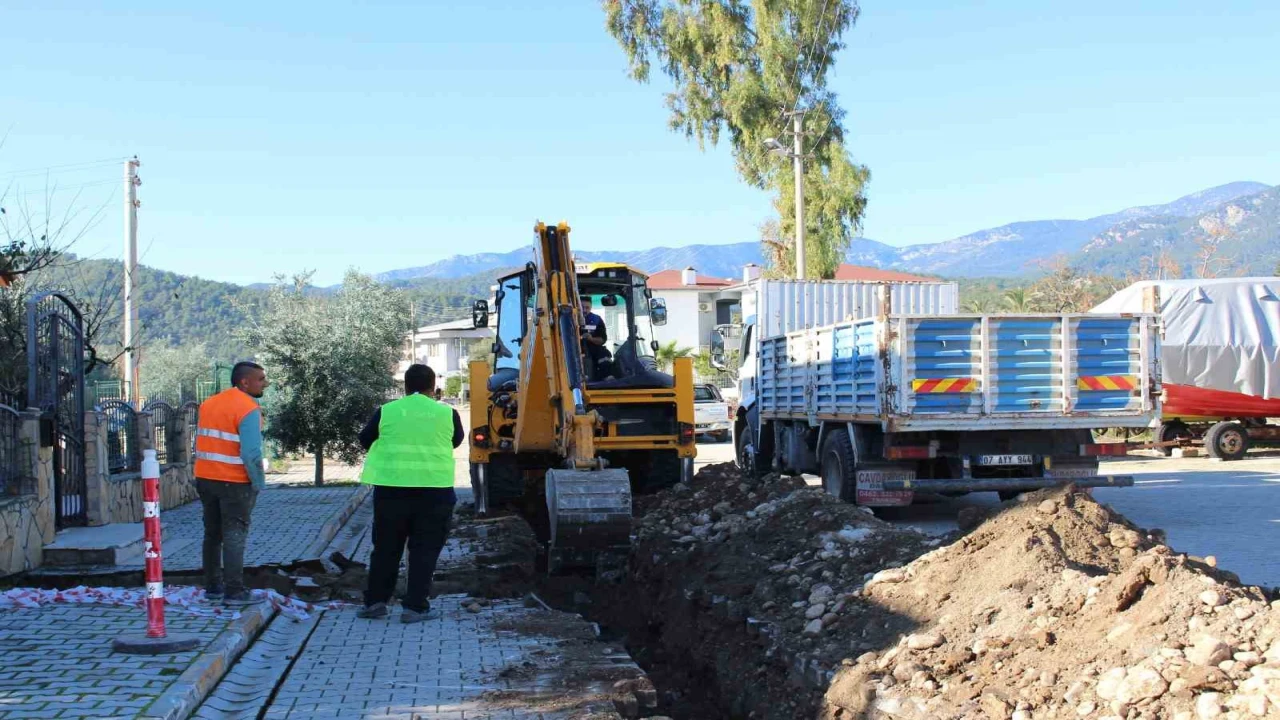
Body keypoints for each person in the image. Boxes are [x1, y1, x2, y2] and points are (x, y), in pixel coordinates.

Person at [357, 364, 464, 624]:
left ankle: (376, 603)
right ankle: (414, 608)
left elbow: (365, 439)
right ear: (434, 388)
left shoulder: (386, 411)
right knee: (424, 551)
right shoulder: (447, 413)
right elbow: (457, 440)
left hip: (391, 492)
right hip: (435, 493)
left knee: (385, 549)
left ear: (404, 387)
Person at [194, 361, 269, 606]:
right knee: (235, 535)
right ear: (244, 382)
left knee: (212, 534)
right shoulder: (248, 409)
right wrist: (258, 483)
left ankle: (212, 587)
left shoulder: (209, 404)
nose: (264, 383)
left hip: (205, 478)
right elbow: (251, 453)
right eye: (260, 379)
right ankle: (235, 591)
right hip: (235, 481)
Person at [580, 295, 611, 380]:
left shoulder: (597, 319)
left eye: (587, 307)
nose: (585, 310)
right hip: (574, 350)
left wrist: (591, 339)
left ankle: (607, 377)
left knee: (604, 354)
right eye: (582, 307)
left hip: (594, 350)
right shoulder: (567, 319)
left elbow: (602, 339)